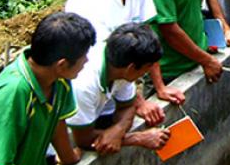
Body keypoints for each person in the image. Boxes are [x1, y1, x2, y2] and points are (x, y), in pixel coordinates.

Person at [65, 0, 185, 108]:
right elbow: (100, 62)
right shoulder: (86, 1)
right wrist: (139, 103)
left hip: (124, 90)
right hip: (92, 97)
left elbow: (148, 41)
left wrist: (160, 87)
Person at [0, 12, 96, 165]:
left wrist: (69, 158)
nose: (87, 61)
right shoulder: (13, 94)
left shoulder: (59, 81)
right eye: (84, 57)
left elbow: (57, 121)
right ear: (62, 64)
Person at [67, 23, 171, 155]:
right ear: (131, 68)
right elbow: (83, 139)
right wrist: (138, 138)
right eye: (148, 66)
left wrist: (118, 129)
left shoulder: (120, 64)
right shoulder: (84, 85)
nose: (147, 72)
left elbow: (128, 106)